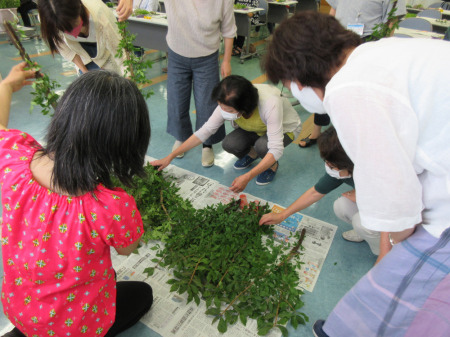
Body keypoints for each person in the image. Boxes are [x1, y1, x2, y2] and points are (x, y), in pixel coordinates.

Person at [263, 11, 450, 337]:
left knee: (398, 293)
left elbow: (399, 210)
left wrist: (389, 257)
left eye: (289, 83)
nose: (293, 91)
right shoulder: (380, 52)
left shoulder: (349, 89)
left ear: (300, 73)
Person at [0, 64, 153, 337]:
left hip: (21, 310)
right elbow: (128, 249)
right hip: (74, 327)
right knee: (143, 293)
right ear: (123, 144)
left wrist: (7, 86)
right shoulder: (110, 206)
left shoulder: (13, 160)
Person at [151, 75, 301, 191]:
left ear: (245, 107)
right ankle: (252, 154)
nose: (223, 112)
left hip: (285, 129)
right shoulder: (228, 100)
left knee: (264, 146)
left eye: (228, 111)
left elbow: (276, 148)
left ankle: (272, 166)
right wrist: (169, 157)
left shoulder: (269, 103)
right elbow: (205, 131)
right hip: (255, 128)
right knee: (230, 144)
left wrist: (248, 176)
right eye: (220, 107)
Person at [299, 0, 407, 149]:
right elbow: (334, 9)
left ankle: (349, 137)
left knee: (356, 92)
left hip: (368, 41)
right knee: (326, 84)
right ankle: (316, 132)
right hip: (339, 38)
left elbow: (391, 22)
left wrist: (381, 50)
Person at [260, 126, 380, 255]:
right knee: (341, 206)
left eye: (332, 165)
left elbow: (398, 203)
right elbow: (315, 192)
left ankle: (382, 250)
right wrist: (282, 215)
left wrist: (365, 196)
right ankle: (365, 233)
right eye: (326, 162)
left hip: (390, 208)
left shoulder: (377, 169)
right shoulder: (339, 168)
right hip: (370, 197)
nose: (328, 166)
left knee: (361, 223)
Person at [163, 0, 236, 168]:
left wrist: (226, 60)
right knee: (176, 99)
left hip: (207, 56)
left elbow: (229, 29)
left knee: (207, 103)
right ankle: (181, 138)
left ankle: (207, 144)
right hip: (177, 52)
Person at [38, 0, 125, 75]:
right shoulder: (50, 19)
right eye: (66, 30)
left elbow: (120, 53)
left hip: (105, 49)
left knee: (114, 82)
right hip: (81, 52)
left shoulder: (100, 15)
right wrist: (85, 72)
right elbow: (64, 48)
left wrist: (129, 80)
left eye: (74, 25)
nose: (74, 34)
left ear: (79, 8)